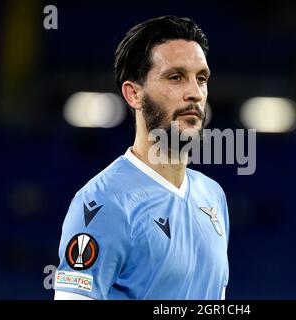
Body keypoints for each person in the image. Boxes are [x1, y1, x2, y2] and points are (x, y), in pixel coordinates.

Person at [54, 15, 230, 300]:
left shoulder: (213, 197)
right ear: (133, 94)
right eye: (176, 77)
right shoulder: (102, 203)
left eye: (201, 79)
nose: (195, 93)